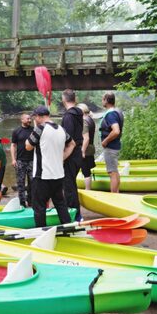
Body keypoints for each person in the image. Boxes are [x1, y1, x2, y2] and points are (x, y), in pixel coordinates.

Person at [26, 106, 76, 227]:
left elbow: (28, 146)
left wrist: (35, 127)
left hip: (42, 175)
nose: (34, 119)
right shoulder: (61, 129)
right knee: (60, 204)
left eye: (35, 117)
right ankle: (68, 227)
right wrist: (62, 157)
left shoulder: (40, 128)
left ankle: (41, 231)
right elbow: (72, 144)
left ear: (39, 117)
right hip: (58, 174)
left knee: (39, 207)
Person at [61, 89, 84, 220]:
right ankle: (74, 212)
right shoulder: (78, 113)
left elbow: (68, 139)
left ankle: (75, 215)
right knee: (70, 185)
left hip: (71, 153)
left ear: (64, 99)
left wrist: (63, 156)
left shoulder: (69, 116)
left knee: (68, 186)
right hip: (78, 153)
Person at [99, 92, 124, 193]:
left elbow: (116, 131)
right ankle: (116, 194)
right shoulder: (117, 112)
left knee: (112, 173)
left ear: (106, 100)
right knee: (115, 171)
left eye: (102, 99)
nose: (102, 101)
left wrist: (105, 141)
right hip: (115, 147)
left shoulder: (110, 114)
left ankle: (113, 197)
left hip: (110, 148)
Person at [11, 113, 34, 207]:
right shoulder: (16, 131)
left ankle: (31, 201)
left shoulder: (34, 130)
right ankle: (22, 203)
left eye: (30, 119)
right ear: (22, 120)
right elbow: (13, 145)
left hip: (32, 160)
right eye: (28, 119)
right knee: (20, 183)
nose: (30, 120)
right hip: (20, 160)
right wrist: (13, 159)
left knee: (32, 182)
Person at [77, 103, 96, 190]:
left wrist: (82, 151)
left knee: (85, 171)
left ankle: (87, 190)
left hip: (86, 149)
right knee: (87, 171)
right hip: (90, 148)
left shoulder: (84, 121)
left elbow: (86, 138)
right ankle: (88, 189)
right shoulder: (91, 119)